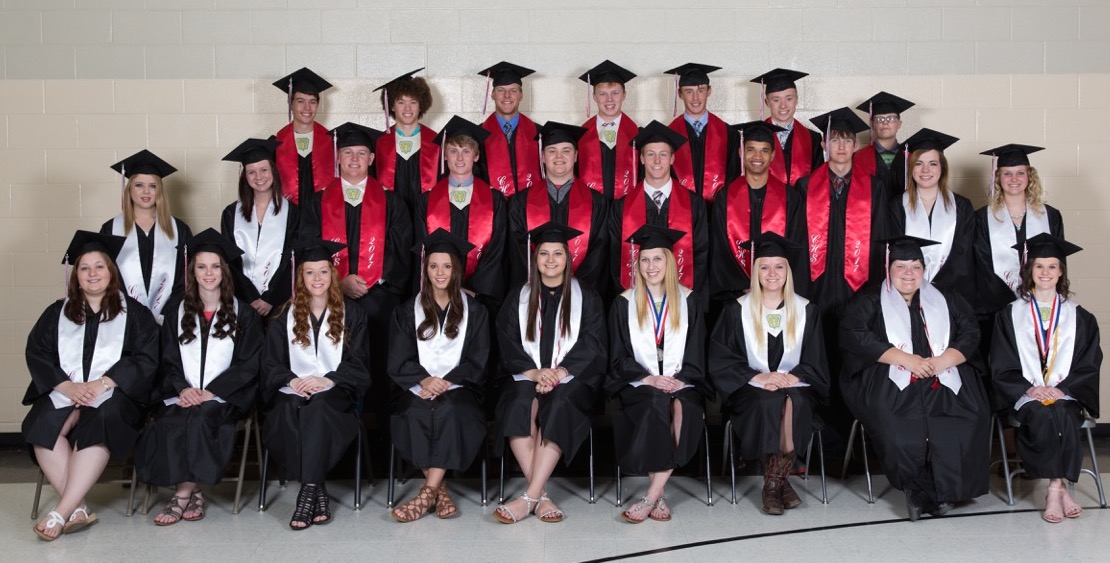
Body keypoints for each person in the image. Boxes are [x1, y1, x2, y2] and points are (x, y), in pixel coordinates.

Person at [840, 236, 990, 521]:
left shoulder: (946, 297)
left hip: (941, 371)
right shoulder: (870, 299)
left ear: (924, 269)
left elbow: (970, 332)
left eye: (916, 266)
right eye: (901, 266)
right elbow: (855, 336)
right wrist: (906, 359)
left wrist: (941, 362)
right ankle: (927, 491)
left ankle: (931, 491)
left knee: (969, 414)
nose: (909, 273)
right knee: (898, 419)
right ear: (888, 268)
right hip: (888, 376)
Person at [23, 231, 159, 540]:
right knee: (40, 422)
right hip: (66, 390)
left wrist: (104, 382)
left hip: (115, 394)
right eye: (84, 268)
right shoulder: (57, 312)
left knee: (103, 417)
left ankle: (60, 512)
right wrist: (66, 387)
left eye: (99, 266)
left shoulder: (135, 314)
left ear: (111, 272)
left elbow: (146, 357)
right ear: (76, 275)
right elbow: (37, 352)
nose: (92, 274)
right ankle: (78, 507)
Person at [134, 229, 263, 525]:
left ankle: (180, 496)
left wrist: (212, 391)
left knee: (202, 417)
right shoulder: (176, 309)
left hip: (226, 396)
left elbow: (249, 364)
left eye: (215, 266)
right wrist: (182, 388)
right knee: (172, 420)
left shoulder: (244, 314)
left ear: (225, 270)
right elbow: (166, 358)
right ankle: (196, 494)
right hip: (183, 392)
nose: (209, 273)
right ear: (192, 271)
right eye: (201, 267)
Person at [301, 121, 413, 427]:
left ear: (371, 159)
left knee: (380, 360)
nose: (354, 159)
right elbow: (310, 249)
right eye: (347, 153)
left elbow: (401, 250)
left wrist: (369, 281)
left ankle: (380, 436)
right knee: (336, 360)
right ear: (337, 158)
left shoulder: (391, 201)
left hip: (380, 297)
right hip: (329, 298)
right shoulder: (317, 201)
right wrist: (340, 280)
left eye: (361, 153)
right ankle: (340, 428)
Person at [493, 222, 606, 524]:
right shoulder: (519, 297)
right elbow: (507, 342)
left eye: (558, 253)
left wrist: (560, 373)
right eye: (544, 254)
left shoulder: (588, 297)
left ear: (568, 259)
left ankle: (528, 497)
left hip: (570, 380)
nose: (551, 260)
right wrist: (533, 373)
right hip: (528, 376)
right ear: (536, 259)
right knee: (517, 402)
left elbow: (593, 344)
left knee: (560, 402)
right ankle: (541, 497)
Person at [708, 233, 828, 515]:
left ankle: (772, 485)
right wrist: (759, 377)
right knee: (768, 401)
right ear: (755, 271)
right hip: (749, 389)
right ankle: (780, 483)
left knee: (791, 401)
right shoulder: (736, 310)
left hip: (795, 386)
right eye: (764, 267)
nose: (772, 273)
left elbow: (817, 359)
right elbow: (721, 359)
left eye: (779, 267)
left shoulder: (807, 310)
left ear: (789, 271)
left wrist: (793, 377)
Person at [260, 239, 371, 530]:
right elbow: (271, 364)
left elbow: (359, 364)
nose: (317, 279)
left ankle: (307, 491)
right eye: (310, 272)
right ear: (301, 277)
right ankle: (316, 489)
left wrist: (328, 379)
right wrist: (292, 379)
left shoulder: (353, 314)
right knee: (290, 409)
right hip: (293, 392)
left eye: (323, 271)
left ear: (333, 275)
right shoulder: (284, 315)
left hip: (335, 395)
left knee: (319, 407)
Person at [990, 234, 1101, 523]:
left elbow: (1089, 363)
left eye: (1052, 267)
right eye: (1039, 266)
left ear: (1061, 271)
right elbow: (1001, 363)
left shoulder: (1081, 317)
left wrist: (1061, 389)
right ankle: (1061, 489)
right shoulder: (1009, 316)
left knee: (1062, 411)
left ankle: (1053, 489)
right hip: (1027, 395)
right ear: (1029, 270)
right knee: (1041, 414)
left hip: (1066, 392)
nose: (1045, 273)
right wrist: (1029, 389)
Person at [607, 225, 710, 523]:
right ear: (638, 265)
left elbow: (696, 351)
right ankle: (659, 495)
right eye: (645, 260)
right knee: (654, 403)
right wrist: (648, 378)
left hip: (683, 380)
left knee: (685, 408)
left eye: (657, 260)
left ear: (670, 262)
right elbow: (618, 356)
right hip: (640, 383)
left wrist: (680, 380)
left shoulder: (690, 300)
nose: (651, 267)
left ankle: (652, 494)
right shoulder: (624, 303)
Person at [387, 230, 490, 522]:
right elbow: (397, 359)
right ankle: (439, 492)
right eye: (433, 266)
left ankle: (426, 493)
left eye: (447, 266)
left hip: (461, 387)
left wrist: (447, 381)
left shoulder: (476, 311)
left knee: (452, 409)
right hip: (417, 387)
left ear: (456, 269)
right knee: (414, 411)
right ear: (425, 269)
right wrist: (425, 380)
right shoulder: (408, 311)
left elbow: (479, 359)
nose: (440, 272)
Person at [413, 115, 507, 306]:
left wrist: (475, 290)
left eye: (466, 151)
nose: (460, 158)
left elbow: (497, 249)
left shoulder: (495, 199)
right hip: (437, 293)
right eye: (453, 151)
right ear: (445, 156)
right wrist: (444, 285)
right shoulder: (427, 200)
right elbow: (423, 249)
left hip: (480, 296)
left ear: (476, 155)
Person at [507, 121, 609, 293]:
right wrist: (544, 282)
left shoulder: (598, 202)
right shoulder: (520, 202)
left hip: (581, 293)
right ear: (543, 157)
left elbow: (599, 252)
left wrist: (575, 287)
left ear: (576, 155)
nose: (559, 157)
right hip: (534, 293)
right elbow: (518, 253)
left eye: (566, 151)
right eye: (552, 151)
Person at [611, 121, 708, 297]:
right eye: (650, 154)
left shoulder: (694, 204)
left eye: (663, 154)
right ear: (641, 158)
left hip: (683, 298)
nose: (657, 161)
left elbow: (701, 254)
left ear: (672, 158)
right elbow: (615, 257)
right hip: (636, 300)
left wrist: (689, 298)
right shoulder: (622, 206)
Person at [710, 121, 806, 300]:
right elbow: (720, 252)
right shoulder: (725, 198)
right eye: (751, 149)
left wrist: (774, 286)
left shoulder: (790, 198)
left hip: (780, 294)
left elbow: (796, 249)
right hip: (736, 296)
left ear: (773, 156)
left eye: (764, 150)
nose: (757, 156)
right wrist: (742, 290)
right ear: (741, 152)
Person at [974, 144, 1064, 325]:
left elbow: (1058, 261)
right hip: (996, 310)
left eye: (1020, 173)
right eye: (1007, 173)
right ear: (998, 178)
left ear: (1029, 177)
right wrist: (1012, 303)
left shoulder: (1051, 216)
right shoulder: (982, 218)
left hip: (1041, 304)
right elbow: (981, 265)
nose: (1014, 179)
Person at [101, 150, 193, 324]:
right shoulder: (110, 229)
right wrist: (131, 312)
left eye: (152, 186)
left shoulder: (179, 230)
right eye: (139, 185)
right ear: (129, 189)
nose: (146, 192)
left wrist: (168, 312)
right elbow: (108, 277)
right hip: (125, 319)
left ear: (160, 190)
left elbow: (186, 277)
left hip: (168, 319)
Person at [888, 128, 975, 298]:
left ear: (942, 168)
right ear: (911, 169)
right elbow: (896, 251)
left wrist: (937, 289)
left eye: (932, 164)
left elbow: (963, 255)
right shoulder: (897, 206)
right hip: (907, 293)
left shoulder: (962, 206)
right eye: (919, 164)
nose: (925, 170)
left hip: (952, 293)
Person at [220, 138, 300, 318]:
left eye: (264, 170)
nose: (259, 177)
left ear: (273, 170)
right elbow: (229, 261)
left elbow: (292, 259)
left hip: (280, 303)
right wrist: (249, 297)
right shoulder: (231, 214)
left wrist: (270, 298)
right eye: (251, 172)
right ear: (244, 176)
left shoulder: (293, 213)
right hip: (242, 302)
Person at [664, 63, 738, 201]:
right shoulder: (667, 136)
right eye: (689, 91)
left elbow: (734, 180)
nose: (695, 98)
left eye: (701, 90)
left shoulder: (729, 134)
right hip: (680, 213)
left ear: (709, 91)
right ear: (680, 94)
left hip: (718, 214)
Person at [374, 68, 440, 211]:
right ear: (391, 105)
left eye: (413, 102)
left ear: (421, 104)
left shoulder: (436, 141)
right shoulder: (379, 142)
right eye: (401, 102)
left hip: (426, 214)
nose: (407, 108)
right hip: (392, 217)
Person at [271, 67, 335, 206]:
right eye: (300, 101)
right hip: (288, 217)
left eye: (312, 102)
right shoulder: (275, 144)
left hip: (321, 216)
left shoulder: (333, 142)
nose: (307, 108)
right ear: (290, 103)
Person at [577, 60, 640, 199]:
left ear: (624, 95)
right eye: (602, 94)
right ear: (594, 97)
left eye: (615, 93)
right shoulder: (579, 136)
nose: (609, 99)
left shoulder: (639, 135)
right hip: (592, 211)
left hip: (627, 209)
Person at [750, 68, 823, 187]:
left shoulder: (813, 139)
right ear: (767, 102)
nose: (783, 105)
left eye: (789, 98)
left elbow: (817, 184)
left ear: (797, 99)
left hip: (802, 204)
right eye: (776, 100)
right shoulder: (751, 137)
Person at [478, 61, 542, 197]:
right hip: (493, 212)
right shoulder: (477, 135)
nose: (507, 96)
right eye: (501, 90)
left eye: (513, 90)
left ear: (521, 95)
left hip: (530, 210)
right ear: (492, 94)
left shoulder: (540, 134)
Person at [854, 91, 914, 199]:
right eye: (879, 119)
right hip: (871, 215)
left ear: (899, 124)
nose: (885, 123)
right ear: (872, 125)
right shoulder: (858, 158)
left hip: (903, 214)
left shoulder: (911, 157)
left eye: (891, 118)